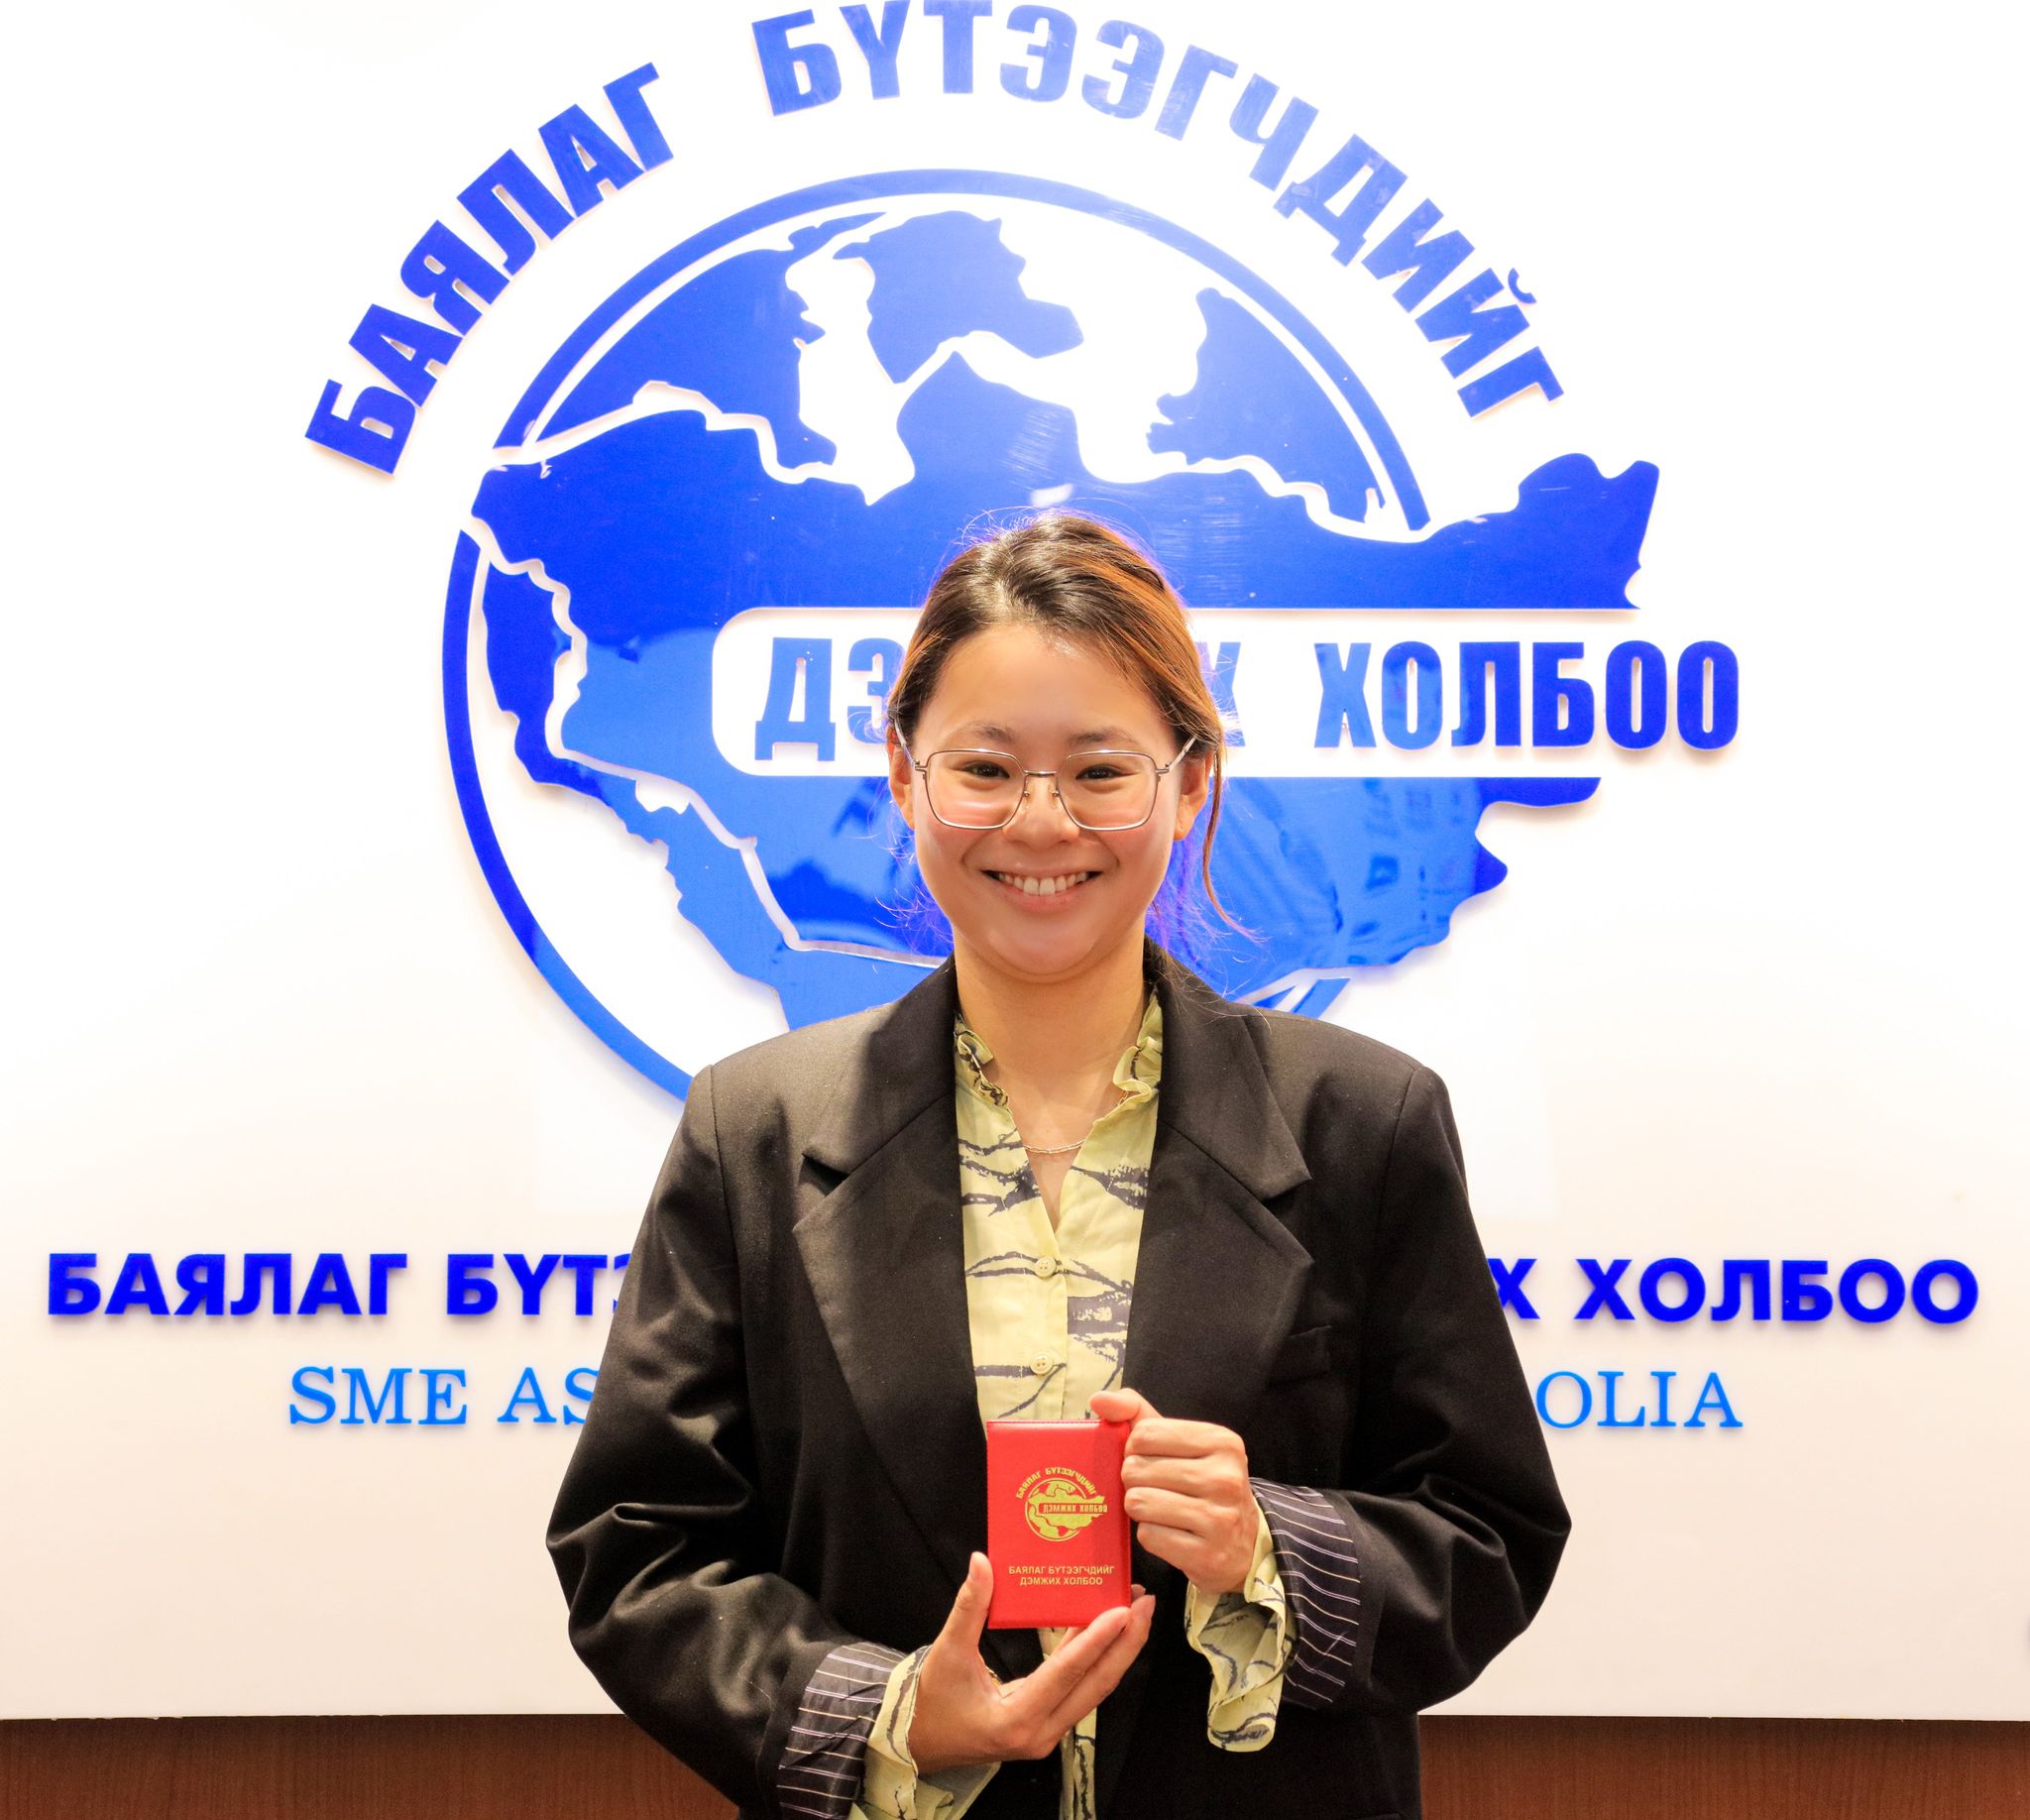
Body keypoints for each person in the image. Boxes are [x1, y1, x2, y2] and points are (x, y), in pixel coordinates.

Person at [546, 514, 1568, 1820]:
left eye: (1100, 770)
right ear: (904, 776)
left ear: (1190, 783)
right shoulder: (753, 1132)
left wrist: (1270, 1547)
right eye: (985, 767)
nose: (1041, 821)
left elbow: (1489, 1531)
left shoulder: (1362, 1121)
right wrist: (890, 1715)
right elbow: (637, 1550)